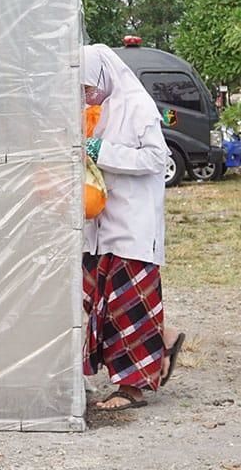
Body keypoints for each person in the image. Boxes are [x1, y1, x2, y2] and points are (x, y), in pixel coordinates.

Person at [82, 43, 176, 410]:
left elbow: (157, 157)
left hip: (134, 223)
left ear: (105, 76)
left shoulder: (138, 106)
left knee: (130, 306)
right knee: (101, 301)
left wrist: (101, 151)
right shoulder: (95, 111)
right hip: (102, 223)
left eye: (89, 87)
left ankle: (132, 387)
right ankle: (164, 340)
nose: (87, 95)